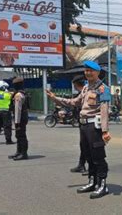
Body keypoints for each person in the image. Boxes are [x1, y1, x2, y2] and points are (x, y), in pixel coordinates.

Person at [46, 60, 112, 199]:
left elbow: (104, 110)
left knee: (98, 157)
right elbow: (74, 102)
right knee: (88, 155)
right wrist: (55, 98)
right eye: (86, 70)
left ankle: (102, 185)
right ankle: (92, 182)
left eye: (91, 70)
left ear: (97, 72)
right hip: (83, 126)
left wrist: (105, 131)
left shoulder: (103, 89)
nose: (88, 73)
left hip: (94, 127)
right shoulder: (85, 88)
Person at [8, 77, 29, 160]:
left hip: (20, 119)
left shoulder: (18, 95)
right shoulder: (20, 93)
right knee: (18, 135)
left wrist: (17, 122)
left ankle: (23, 154)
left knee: (21, 136)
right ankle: (18, 152)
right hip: (22, 117)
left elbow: (17, 109)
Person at [70, 75, 88, 174]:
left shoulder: (84, 93)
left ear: (76, 84)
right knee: (83, 145)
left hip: (88, 123)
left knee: (88, 146)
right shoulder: (81, 93)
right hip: (82, 122)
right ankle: (81, 165)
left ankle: (91, 168)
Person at [0, 81, 14, 145]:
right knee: (7, 126)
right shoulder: (7, 95)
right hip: (5, 112)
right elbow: (12, 98)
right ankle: (8, 140)